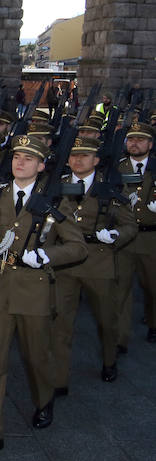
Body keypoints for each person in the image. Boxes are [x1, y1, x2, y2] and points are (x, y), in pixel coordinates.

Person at [0, 135, 87, 460]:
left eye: (28, 158)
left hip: (34, 288)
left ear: (41, 165)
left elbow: (77, 246)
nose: (19, 162)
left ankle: (44, 398)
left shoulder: (53, 200)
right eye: (16, 156)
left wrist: (46, 255)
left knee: (36, 356)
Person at [50, 136, 136, 395]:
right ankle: (59, 378)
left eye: (85, 156)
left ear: (96, 161)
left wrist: (116, 237)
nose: (78, 160)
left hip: (97, 259)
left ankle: (110, 359)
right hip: (65, 263)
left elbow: (129, 225)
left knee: (106, 320)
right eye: (74, 156)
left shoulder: (107, 189)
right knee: (60, 322)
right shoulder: (57, 186)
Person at [116, 122, 156, 344]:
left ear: (150, 144)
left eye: (140, 139)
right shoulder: (117, 168)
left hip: (151, 237)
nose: (135, 143)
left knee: (152, 286)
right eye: (131, 139)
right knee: (121, 290)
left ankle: (154, 323)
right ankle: (120, 338)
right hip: (124, 238)